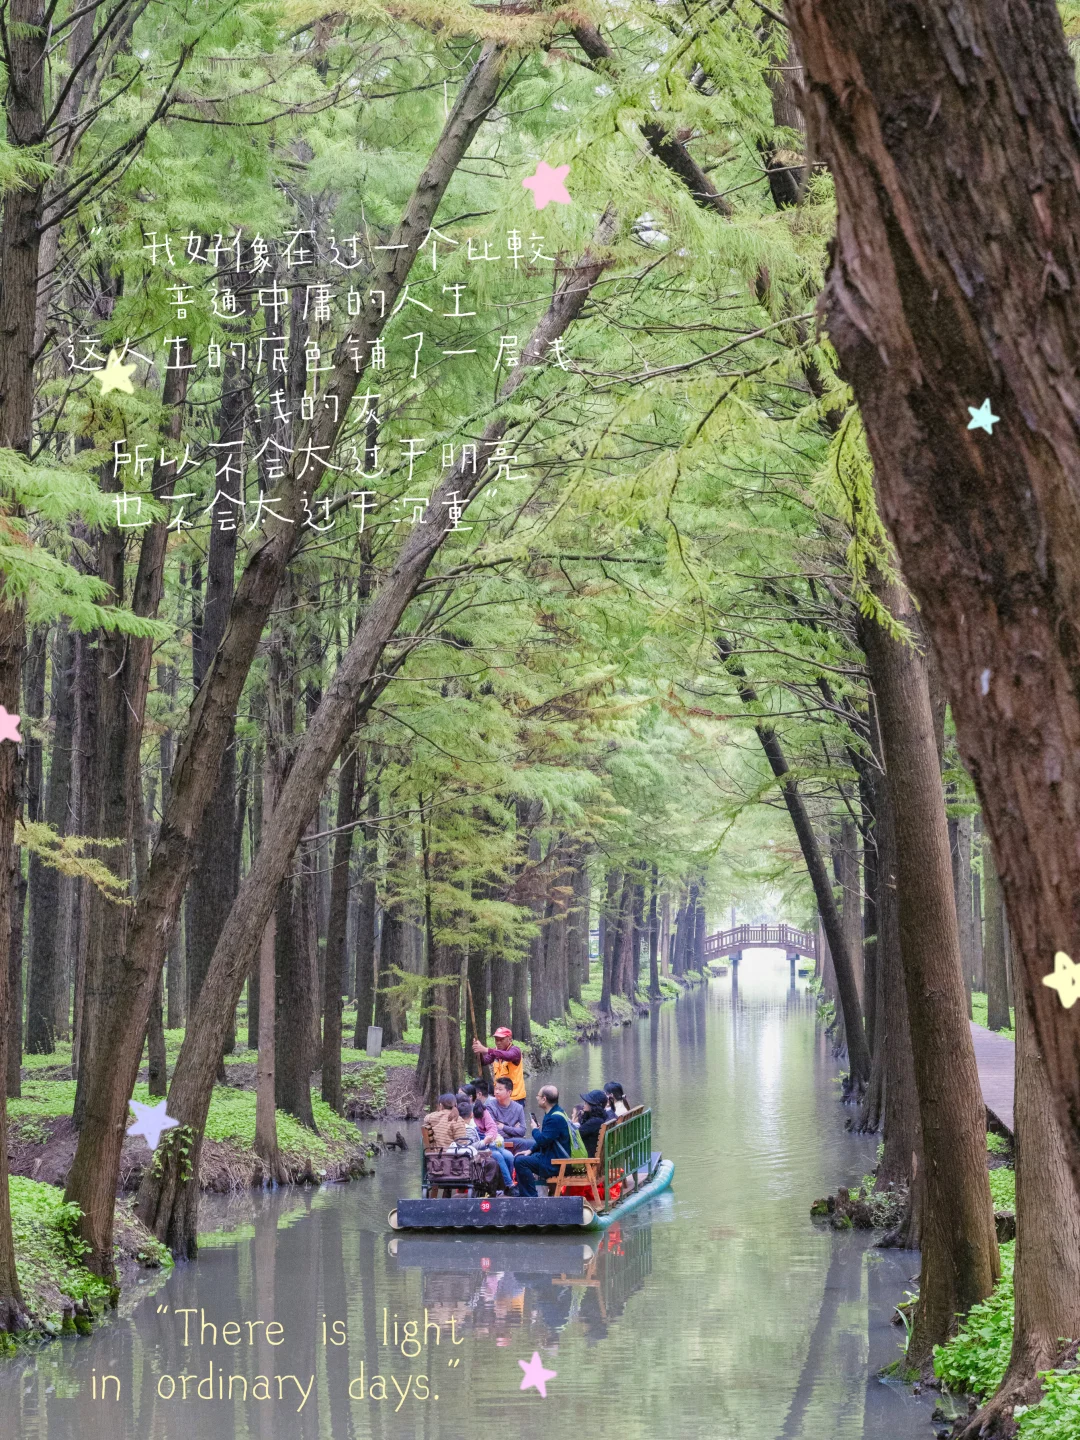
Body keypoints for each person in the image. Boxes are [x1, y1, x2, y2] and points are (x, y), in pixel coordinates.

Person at [513, 1085, 571, 1196]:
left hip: (555, 1163)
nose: (537, 1098)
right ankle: (527, 1194)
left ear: (544, 1099)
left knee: (520, 1162)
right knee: (522, 1157)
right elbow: (547, 1139)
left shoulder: (554, 1118)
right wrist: (530, 1150)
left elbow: (543, 1140)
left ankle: (531, 1197)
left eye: (538, 1096)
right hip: (551, 1157)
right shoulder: (557, 1112)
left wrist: (534, 1129)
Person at [469, 1100, 516, 1192]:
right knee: (498, 1156)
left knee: (509, 1156)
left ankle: (507, 1184)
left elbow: (492, 1127)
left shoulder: (484, 1111)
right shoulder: (470, 1120)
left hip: (491, 1142)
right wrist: (485, 1141)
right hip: (481, 1147)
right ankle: (509, 1184)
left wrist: (489, 1136)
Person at [471, 1027, 525, 1101]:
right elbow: (484, 1062)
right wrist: (479, 1052)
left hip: (515, 1098)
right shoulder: (495, 1051)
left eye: (501, 1040)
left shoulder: (515, 1051)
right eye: (496, 1040)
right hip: (499, 1096)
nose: (498, 1042)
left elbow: (508, 1055)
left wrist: (486, 1050)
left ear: (509, 1039)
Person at [488, 1076, 527, 1149]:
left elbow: (522, 1131)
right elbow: (493, 1130)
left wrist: (503, 1127)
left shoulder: (518, 1108)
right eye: (496, 1089)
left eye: (500, 1089)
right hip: (497, 1141)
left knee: (530, 1145)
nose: (496, 1092)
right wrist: (514, 1131)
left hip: (515, 1141)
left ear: (509, 1092)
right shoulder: (490, 1106)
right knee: (524, 1142)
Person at [575, 1090, 610, 1158]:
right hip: (592, 1155)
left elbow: (576, 1136)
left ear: (593, 1105)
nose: (584, 1104)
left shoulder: (594, 1122)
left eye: (586, 1102)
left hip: (587, 1158)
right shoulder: (600, 1118)